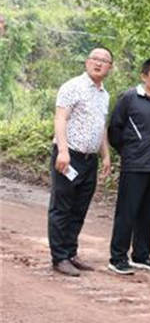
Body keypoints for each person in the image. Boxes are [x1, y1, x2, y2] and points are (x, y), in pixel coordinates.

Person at [48, 47, 114, 276]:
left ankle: (70, 252)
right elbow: (61, 118)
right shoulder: (72, 86)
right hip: (69, 155)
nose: (99, 63)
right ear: (87, 62)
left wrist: (105, 154)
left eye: (104, 61)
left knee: (79, 208)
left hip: (89, 159)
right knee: (62, 207)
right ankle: (59, 258)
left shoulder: (104, 95)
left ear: (110, 67)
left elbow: (100, 126)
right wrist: (62, 151)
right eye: (95, 59)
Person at [107, 58, 150, 275]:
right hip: (135, 164)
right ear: (144, 76)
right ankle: (117, 257)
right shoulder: (130, 98)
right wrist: (129, 152)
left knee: (147, 213)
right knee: (127, 212)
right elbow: (115, 129)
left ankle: (141, 255)